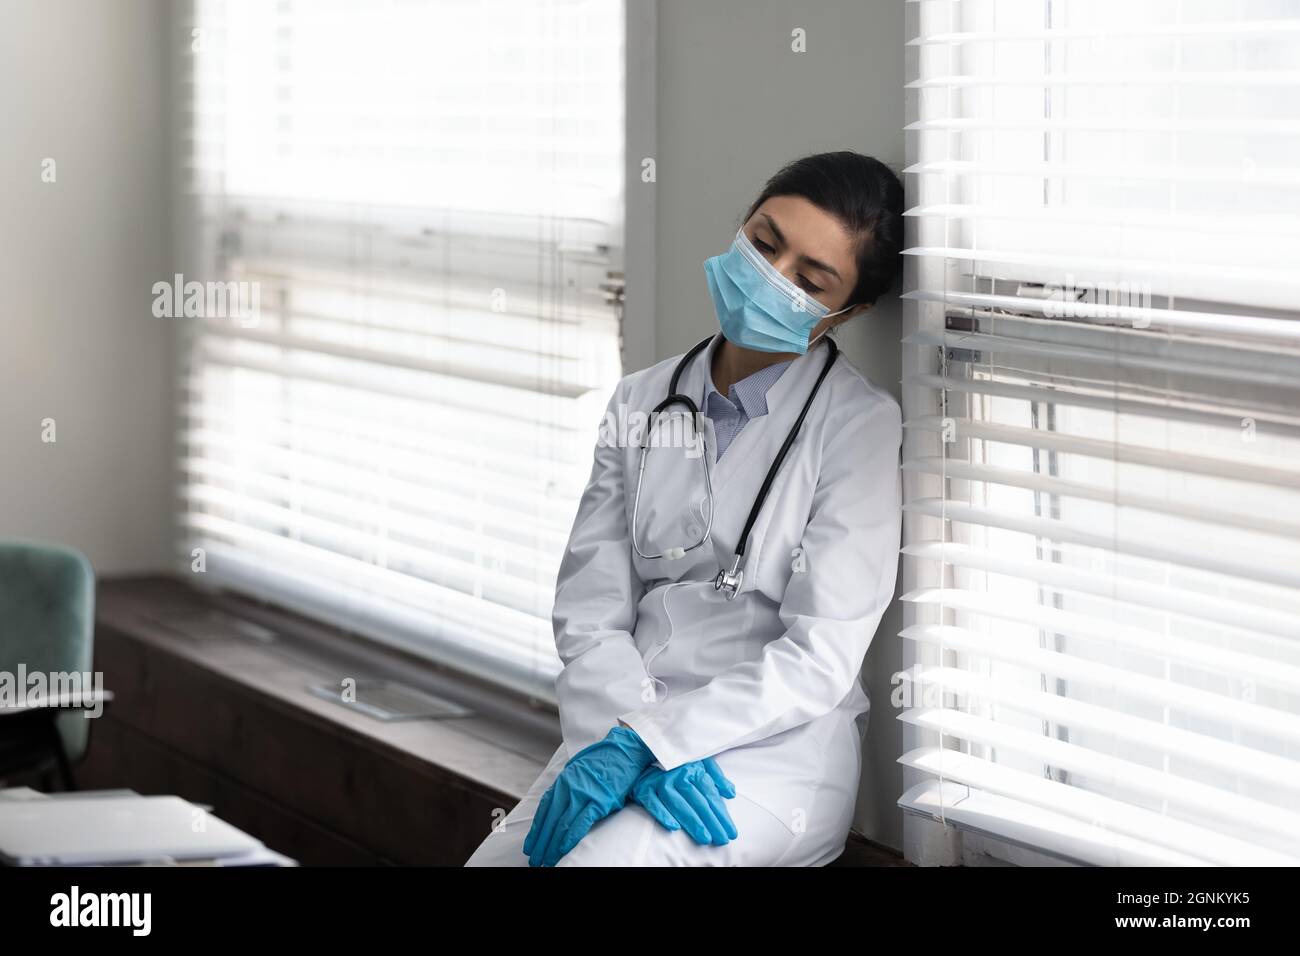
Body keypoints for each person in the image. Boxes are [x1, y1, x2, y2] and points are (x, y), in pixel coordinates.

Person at [465, 150, 905, 867]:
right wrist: (632, 737)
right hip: (618, 724)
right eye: (765, 243)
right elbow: (590, 608)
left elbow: (820, 655)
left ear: (844, 312)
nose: (772, 276)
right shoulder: (639, 400)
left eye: (810, 279)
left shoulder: (858, 426)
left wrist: (662, 741)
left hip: (771, 755)